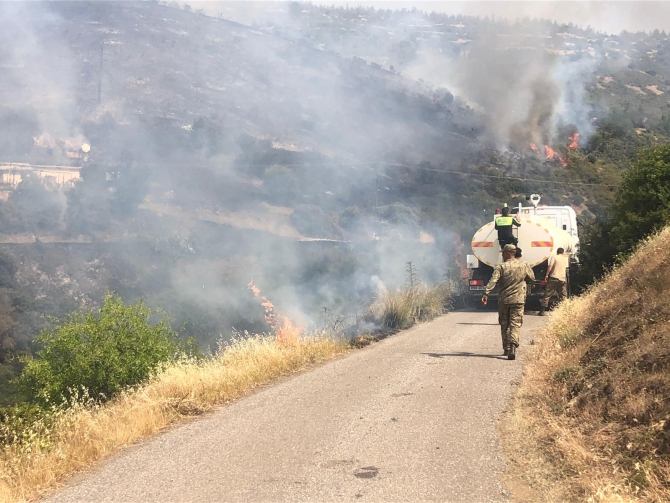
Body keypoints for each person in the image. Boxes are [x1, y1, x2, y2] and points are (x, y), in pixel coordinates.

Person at [481, 244, 535, 360]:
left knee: (504, 323)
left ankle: (506, 348)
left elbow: (493, 281)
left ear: (508, 253)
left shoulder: (501, 267)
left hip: (504, 300)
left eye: (503, 252)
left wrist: (486, 293)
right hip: (519, 299)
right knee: (515, 323)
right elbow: (532, 278)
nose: (502, 254)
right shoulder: (524, 265)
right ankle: (513, 345)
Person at [539, 247, 569, 316]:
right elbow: (566, 270)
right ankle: (564, 310)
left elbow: (550, 265)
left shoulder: (554, 257)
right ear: (563, 252)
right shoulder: (565, 259)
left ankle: (542, 311)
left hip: (554, 278)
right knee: (563, 295)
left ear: (557, 252)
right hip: (562, 279)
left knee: (547, 294)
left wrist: (547, 275)